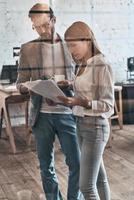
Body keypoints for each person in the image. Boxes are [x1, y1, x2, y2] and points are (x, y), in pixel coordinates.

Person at [16, 3, 80, 200]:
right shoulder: (27, 49)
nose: (42, 31)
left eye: (45, 25)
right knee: (46, 165)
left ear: (53, 20)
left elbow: (83, 80)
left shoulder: (72, 46)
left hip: (68, 113)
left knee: (77, 164)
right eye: (37, 27)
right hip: (41, 115)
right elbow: (20, 83)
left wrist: (70, 83)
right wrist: (31, 86)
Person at [58, 21, 114, 200]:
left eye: (74, 45)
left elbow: (108, 105)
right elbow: (86, 87)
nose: (71, 50)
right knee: (99, 178)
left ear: (87, 40)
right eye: (69, 46)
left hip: (96, 127)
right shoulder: (83, 64)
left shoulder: (101, 64)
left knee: (86, 186)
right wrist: (69, 86)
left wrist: (81, 102)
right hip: (81, 124)